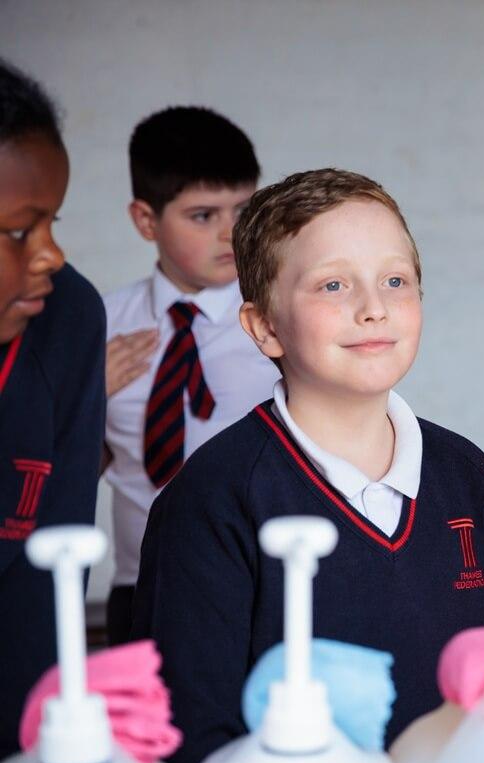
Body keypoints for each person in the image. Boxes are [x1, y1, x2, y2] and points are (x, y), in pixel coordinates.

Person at [132, 168, 484, 763]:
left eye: (396, 280)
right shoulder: (214, 498)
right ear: (264, 328)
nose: (373, 307)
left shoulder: (466, 473)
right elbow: (194, 740)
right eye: (333, 285)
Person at [101, 106, 277, 645]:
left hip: (262, 584)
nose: (231, 232)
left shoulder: (282, 323)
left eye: (243, 208)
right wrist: (80, 401)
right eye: (203, 215)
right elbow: (62, 473)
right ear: (145, 220)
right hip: (140, 590)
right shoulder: (98, 327)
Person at [0, 58, 105, 756]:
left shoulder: (67, 318)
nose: (50, 254)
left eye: (52, 223)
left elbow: (52, 572)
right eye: (17, 232)